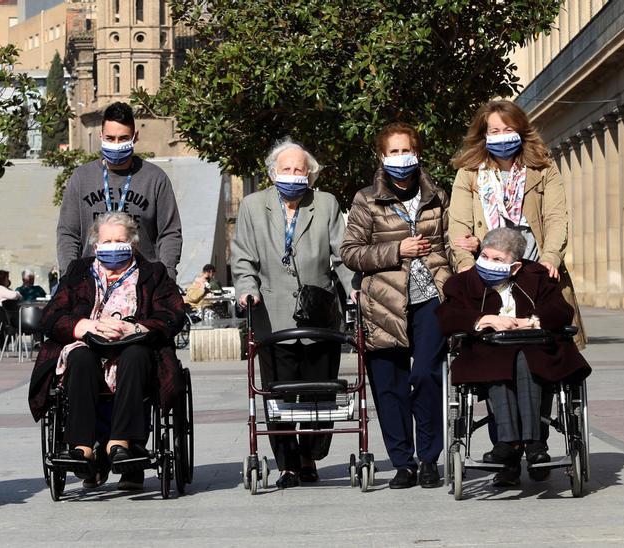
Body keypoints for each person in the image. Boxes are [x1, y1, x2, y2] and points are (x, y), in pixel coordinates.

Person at [29, 212, 186, 490]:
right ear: (95, 245)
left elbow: (172, 315)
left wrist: (134, 328)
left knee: (136, 356)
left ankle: (121, 444)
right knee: (80, 357)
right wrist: (85, 325)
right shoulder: (78, 272)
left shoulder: (153, 273)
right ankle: (82, 447)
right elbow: (51, 317)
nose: (113, 246)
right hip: (88, 345)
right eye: (107, 241)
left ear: (133, 244)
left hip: (134, 348)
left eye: (120, 240)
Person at [232, 138, 351, 489]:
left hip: (318, 312)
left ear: (310, 175)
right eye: (286, 169)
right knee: (278, 392)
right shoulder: (254, 206)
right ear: (272, 172)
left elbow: (342, 256)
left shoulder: (326, 204)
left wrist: (354, 288)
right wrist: (246, 290)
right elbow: (242, 258)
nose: (293, 175)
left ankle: (309, 456)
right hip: (272, 311)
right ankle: (286, 463)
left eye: (300, 169)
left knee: (319, 389)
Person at [341, 122, 451, 489]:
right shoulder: (365, 199)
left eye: (407, 150)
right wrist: (396, 250)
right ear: (382, 157)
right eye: (394, 152)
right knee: (389, 384)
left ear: (417, 152)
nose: (401, 158)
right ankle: (403, 462)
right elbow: (350, 252)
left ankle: (430, 458)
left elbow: (448, 244)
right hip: (384, 301)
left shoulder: (438, 195)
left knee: (426, 376)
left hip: (430, 298)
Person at [435, 228, 590, 486]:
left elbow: (561, 310)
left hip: (535, 348)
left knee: (522, 358)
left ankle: (531, 442)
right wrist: (485, 319)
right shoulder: (463, 282)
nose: (488, 263)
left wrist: (532, 321)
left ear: (515, 266)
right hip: (486, 350)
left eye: (498, 260)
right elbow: (446, 317)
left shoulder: (536, 277)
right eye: (485, 256)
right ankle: (512, 441)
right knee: (501, 360)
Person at [448, 100, 586, 350]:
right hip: (487, 269)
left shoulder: (543, 168)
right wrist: (466, 263)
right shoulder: (469, 173)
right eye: (495, 131)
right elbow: (458, 225)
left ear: (521, 131)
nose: (502, 137)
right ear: (484, 135)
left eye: (509, 130)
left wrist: (550, 258)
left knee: (543, 331)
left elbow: (556, 218)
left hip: (533, 266)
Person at [57, 102, 183, 279]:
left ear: (135, 137)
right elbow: (68, 233)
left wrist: (166, 276)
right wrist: (70, 276)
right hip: (92, 282)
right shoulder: (81, 178)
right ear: (101, 136)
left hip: (143, 282)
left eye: (123, 138)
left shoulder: (155, 179)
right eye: (110, 138)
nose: (116, 144)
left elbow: (169, 233)